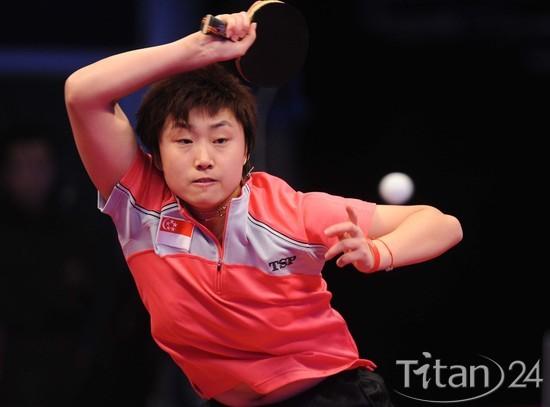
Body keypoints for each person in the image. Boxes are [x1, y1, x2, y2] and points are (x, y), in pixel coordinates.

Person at [64, 9, 463, 407]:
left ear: (245, 152)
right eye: (184, 141)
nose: (203, 159)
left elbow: (441, 223)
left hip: (328, 395)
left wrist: (379, 252)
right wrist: (197, 49)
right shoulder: (139, 201)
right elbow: (82, 92)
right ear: (157, 153)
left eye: (221, 140)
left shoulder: (290, 212)